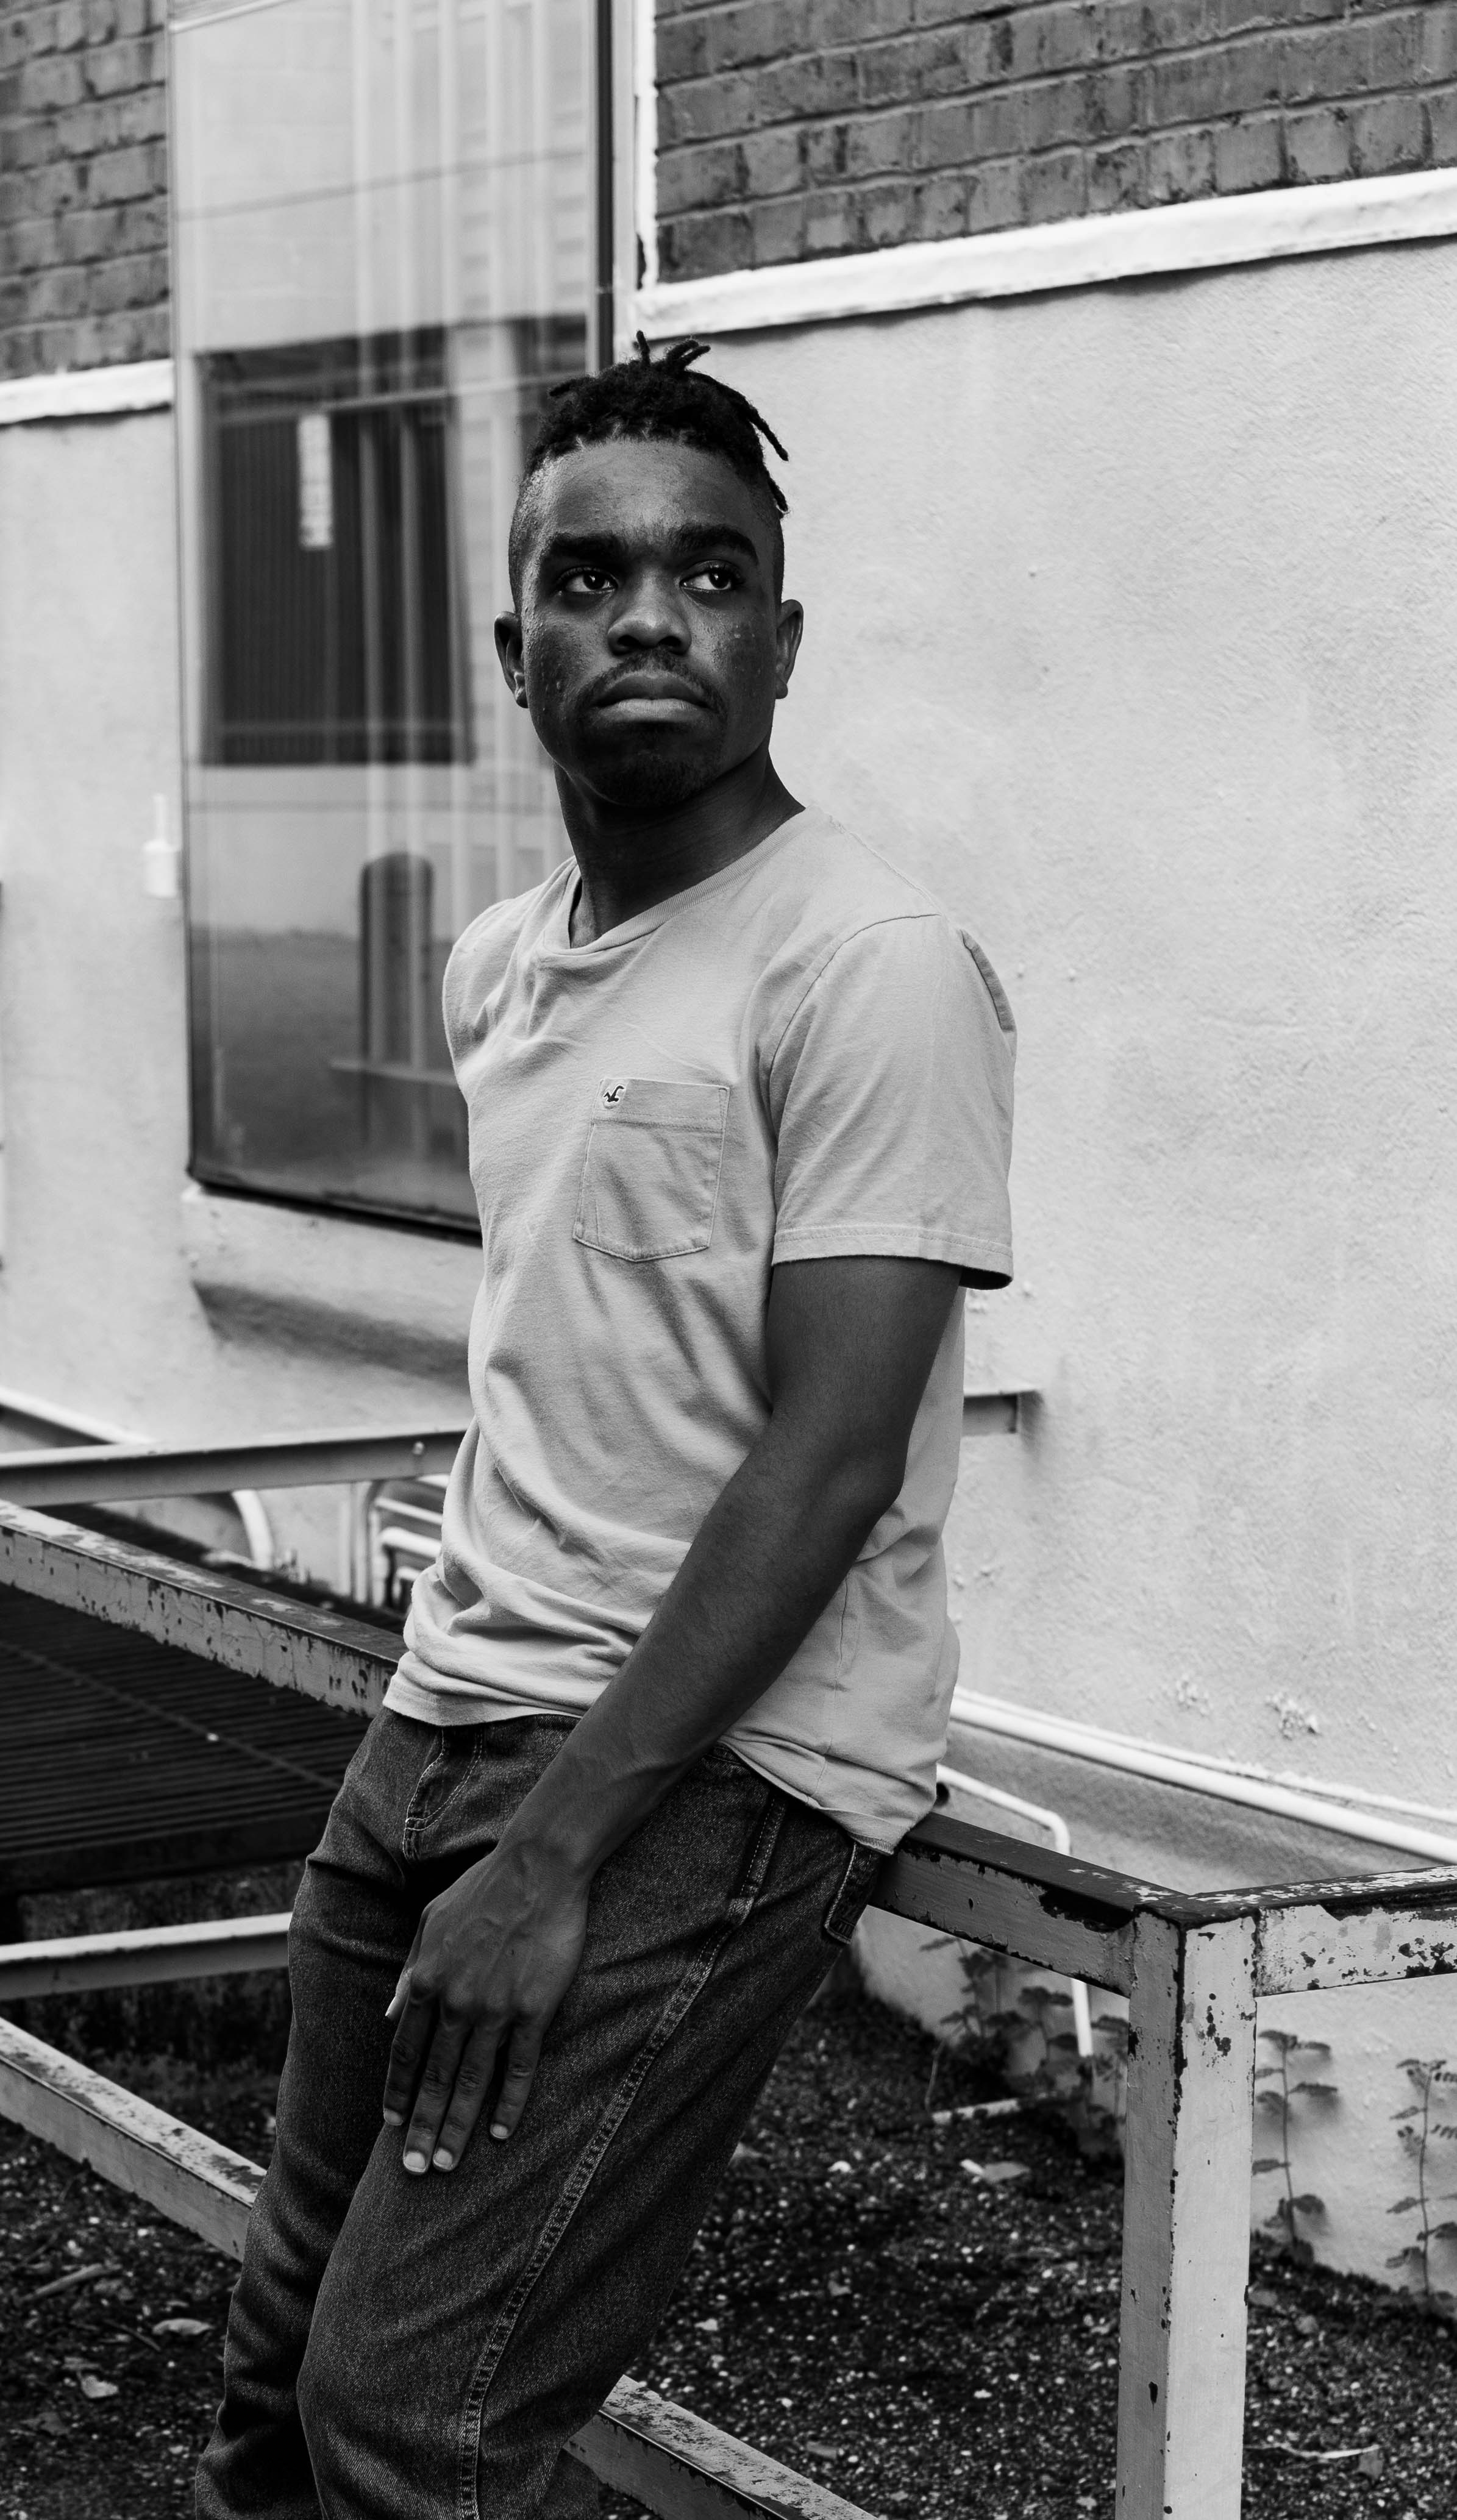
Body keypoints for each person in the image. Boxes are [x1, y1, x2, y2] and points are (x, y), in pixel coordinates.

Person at [197, 336, 1016, 2520]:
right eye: (589, 578)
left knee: (417, 2424)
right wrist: (453, 1746)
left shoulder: (869, 963)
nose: (650, 617)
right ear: (515, 648)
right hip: (447, 1711)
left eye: (708, 576)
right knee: (279, 2378)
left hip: (699, 1767)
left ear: (783, 639)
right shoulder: (501, 966)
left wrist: (556, 1853)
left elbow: (829, 1463)